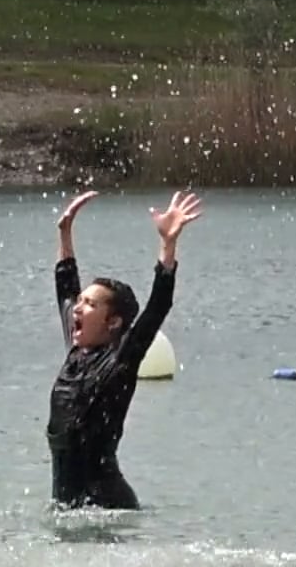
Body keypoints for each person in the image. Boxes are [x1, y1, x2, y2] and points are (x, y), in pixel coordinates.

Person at [46, 189, 203, 511]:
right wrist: (65, 231)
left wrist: (168, 245)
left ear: (114, 322)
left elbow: (157, 307)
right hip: (68, 509)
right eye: (80, 302)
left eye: (89, 304)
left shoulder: (120, 362)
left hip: (108, 506)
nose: (77, 308)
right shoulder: (75, 353)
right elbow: (65, 287)